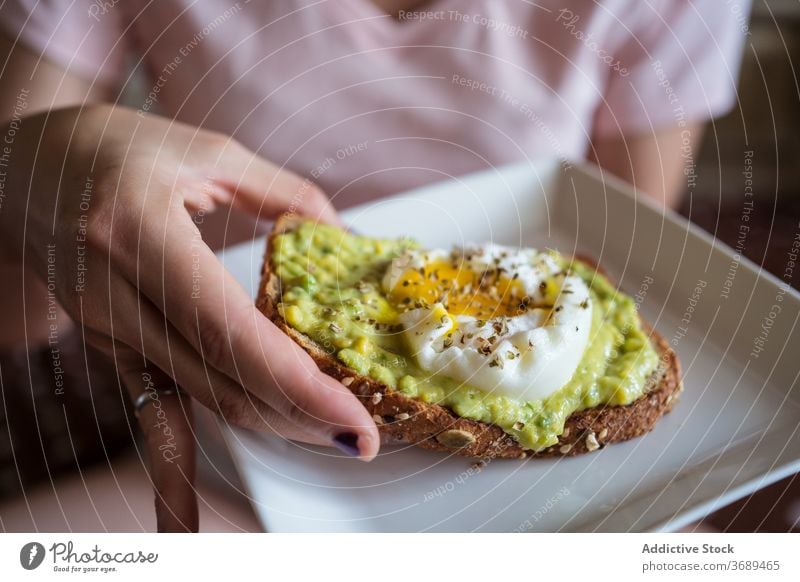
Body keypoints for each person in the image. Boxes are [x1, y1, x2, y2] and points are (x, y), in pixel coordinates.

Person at [0, 0, 750, 531]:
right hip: (234, 459)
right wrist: (27, 164)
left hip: (574, 508)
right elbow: (18, 317)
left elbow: (632, 266)